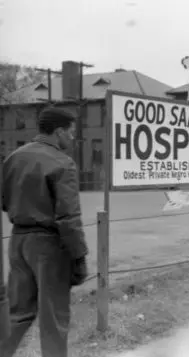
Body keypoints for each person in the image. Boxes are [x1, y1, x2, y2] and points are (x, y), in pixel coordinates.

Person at [0, 107, 89, 357]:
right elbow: (68, 217)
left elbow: (4, 201)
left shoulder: (13, 158)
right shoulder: (62, 163)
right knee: (54, 318)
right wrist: (79, 257)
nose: (72, 138)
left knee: (18, 314)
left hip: (17, 240)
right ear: (59, 132)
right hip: (49, 246)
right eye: (71, 133)